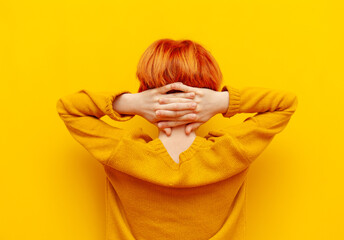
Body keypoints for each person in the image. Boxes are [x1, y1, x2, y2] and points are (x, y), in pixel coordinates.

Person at [56, 39, 298, 240]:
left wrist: (130, 103)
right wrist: (222, 101)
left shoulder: (122, 152)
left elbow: (69, 108)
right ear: (207, 93)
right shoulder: (232, 150)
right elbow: (285, 104)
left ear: (146, 92)